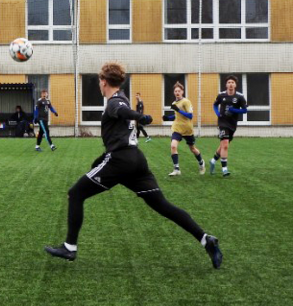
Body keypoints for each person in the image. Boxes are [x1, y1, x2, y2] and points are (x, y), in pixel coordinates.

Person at [44, 61, 222, 269]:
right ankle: (205, 239)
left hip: (120, 161)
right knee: (162, 205)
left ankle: (70, 247)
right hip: (136, 160)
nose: (99, 84)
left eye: (100, 81)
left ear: (104, 81)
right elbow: (122, 121)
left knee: (75, 194)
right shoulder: (123, 98)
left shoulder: (114, 102)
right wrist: (100, 160)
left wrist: (140, 117)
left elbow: (123, 112)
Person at [209, 75, 248, 177]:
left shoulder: (240, 97)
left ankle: (213, 161)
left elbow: (245, 110)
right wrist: (217, 113)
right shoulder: (221, 95)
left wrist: (233, 110)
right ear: (226, 85)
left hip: (232, 124)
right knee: (225, 144)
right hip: (222, 123)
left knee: (224, 145)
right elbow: (215, 104)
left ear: (235, 85)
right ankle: (224, 169)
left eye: (232, 82)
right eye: (229, 82)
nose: (230, 84)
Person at [167, 82, 204, 176]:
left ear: (182, 92)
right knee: (173, 146)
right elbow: (177, 116)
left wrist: (178, 110)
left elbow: (190, 116)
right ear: (174, 92)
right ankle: (176, 169)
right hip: (177, 129)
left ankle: (201, 162)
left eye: (179, 91)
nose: (177, 92)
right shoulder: (174, 103)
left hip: (187, 129)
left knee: (192, 148)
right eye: (175, 91)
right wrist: (168, 118)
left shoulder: (186, 102)